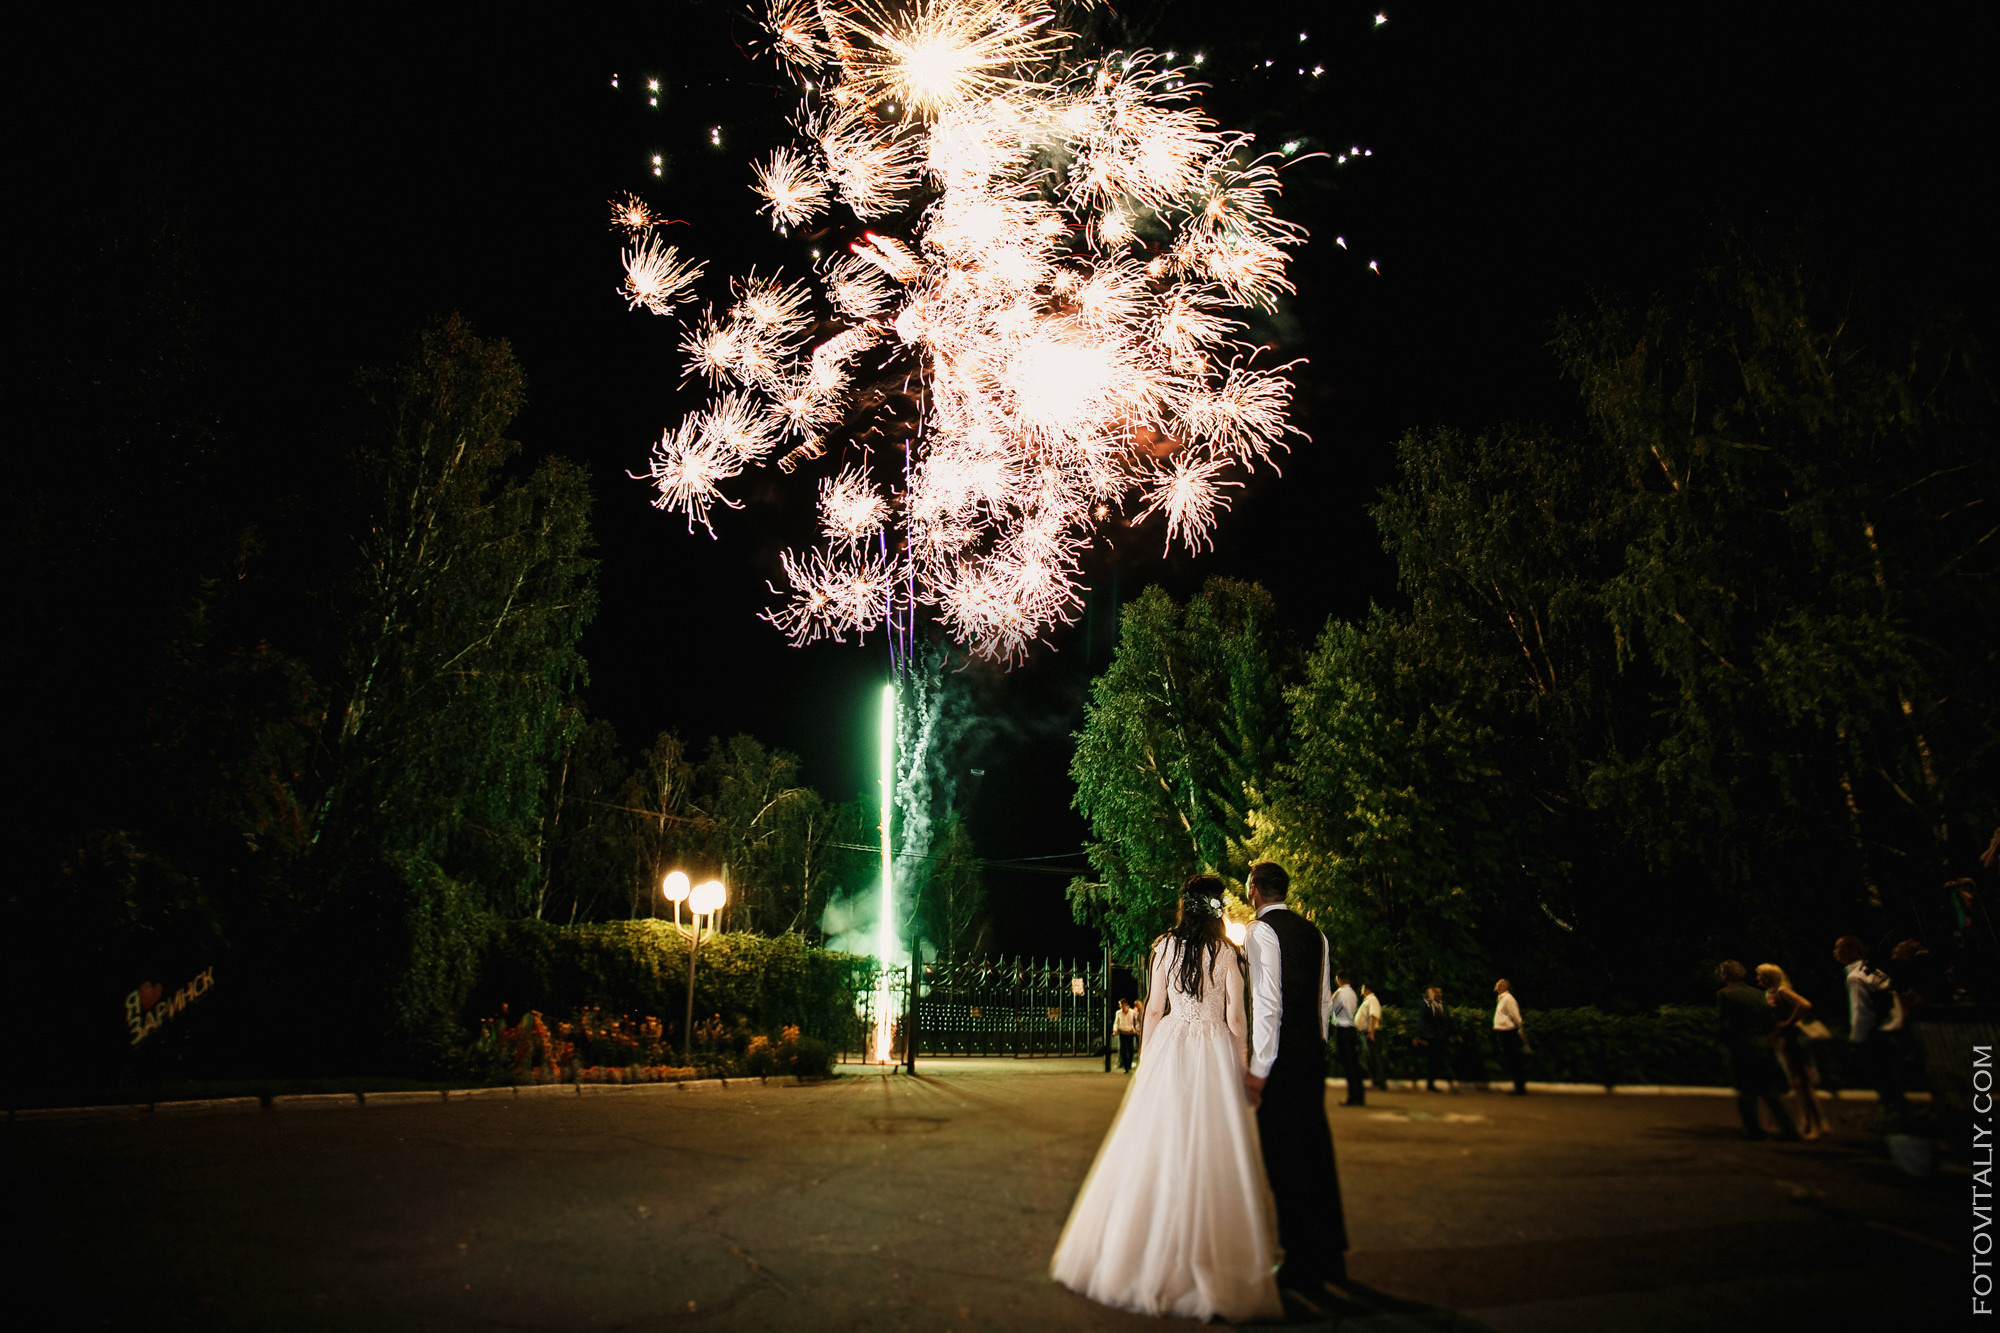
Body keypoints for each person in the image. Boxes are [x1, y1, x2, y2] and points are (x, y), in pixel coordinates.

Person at [1050, 877, 1281, 1322]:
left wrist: (1145, 1062)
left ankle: (1144, 1254)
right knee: (1210, 1150)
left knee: (1159, 1145)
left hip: (1173, 1046)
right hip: (1213, 1050)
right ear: (1216, 910)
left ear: (1185, 907)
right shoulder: (1227, 953)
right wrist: (1241, 1065)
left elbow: (1154, 1009)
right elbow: (1236, 1016)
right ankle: (1206, 1259)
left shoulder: (1165, 948)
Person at [1242, 860, 1350, 1296]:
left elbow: (1267, 1004)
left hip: (1281, 1062)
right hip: (1310, 1057)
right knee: (1316, 1153)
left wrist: (1258, 1070)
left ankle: (1301, 1262)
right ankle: (1330, 1256)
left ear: (1254, 891)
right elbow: (1323, 1003)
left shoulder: (1259, 932)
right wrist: (1316, 1049)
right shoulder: (1316, 934)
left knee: (1285, 1160)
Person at [1717, 960, 1797, 1140]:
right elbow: (1771, 1022)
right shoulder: (1757, 994)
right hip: (1762, 1045)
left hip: (1742, 1047)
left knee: (1746, 1091)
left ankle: (1753, 1130)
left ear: (1726, 975)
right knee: (1770, 1091)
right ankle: (1790, 1130)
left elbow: (1724, 1024)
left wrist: (1725, 1042)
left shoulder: (1725, 994)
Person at [1835, 935, 1907, 1111]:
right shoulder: (1874, 971)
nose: (1835, 952)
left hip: (1876, 1034)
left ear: (1852, 952)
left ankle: (1896, 1115)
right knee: (1893, 1076)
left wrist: (1857, 1038)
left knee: (1883, 1077)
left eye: (1839, 948)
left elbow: (1860, 1010)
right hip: (1891, 1028)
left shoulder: (1855, 977)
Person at [1756, 964, 1825, 1140]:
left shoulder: (1782, 991)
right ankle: (1809, 1122)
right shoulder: (1770, 993)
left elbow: (1805, 1004)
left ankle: (1815, 1124)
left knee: (1802, 1083)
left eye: (1761, 975)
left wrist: (1788, 1022)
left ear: (1768, 977)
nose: (1758, 979)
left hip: (1791, 1041)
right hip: (1782, 1041)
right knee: (1798, 1083)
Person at [1331, 970, 1364, 1106]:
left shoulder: (1340, 993)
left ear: (1339, 979)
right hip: (1351, 1029)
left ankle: (1353, 1097)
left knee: (1348, 1065)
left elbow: (1332, 1010)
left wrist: (1330, 1001)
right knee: (1354, 1064)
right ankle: (1359, 1096)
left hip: (1343, 1030)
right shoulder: (1353, 993)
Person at [1414, 986, 1455, 1092]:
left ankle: (1435, 1082)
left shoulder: (1443, 1004)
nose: (1438, 994)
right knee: (1433, 1061)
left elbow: (1447, 1020)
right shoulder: (1426, 1005)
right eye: (1436, 992)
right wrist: (1419, 1037)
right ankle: (1430, 1083)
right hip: (1430, 1038)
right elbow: (1421, 1021)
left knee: (1439, 1060)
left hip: (1441, 1038)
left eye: (1440, 992)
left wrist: (1451, 1034)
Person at [1492, 978, 1527, 1095]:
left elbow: (1516, 1017)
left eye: (1500, 984)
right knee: (1511, 1059)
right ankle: (1518, 1085)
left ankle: (1519, 1087)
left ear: (1504, 987)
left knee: (1514, 1059)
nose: (1497, 985)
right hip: (1505, 1033)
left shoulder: (1508, 999)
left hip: (1509, 1033)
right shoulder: (1502, 999)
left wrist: (1520, 1030)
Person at [1357, 983, 1387, 1091]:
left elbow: (1373, 1015)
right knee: (1370, 1058)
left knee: (1375, 1058)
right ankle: (1376, 1081)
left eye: (1362, 988)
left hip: (1370, 1033)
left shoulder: (1372, 999)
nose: (1361, 991)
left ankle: (1380, 1082)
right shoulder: (1368, 1000)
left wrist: (1371, 1032)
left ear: (1367, 989)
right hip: (1367, 1032)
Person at [1112, 998, 1138, 1073]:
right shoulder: (1118, 1013)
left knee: (1130, 1050)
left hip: (1130, 1032)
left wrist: (1135, 1029)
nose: (1120, 1006)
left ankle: (1129, 1065)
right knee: (1123, 1050)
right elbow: (1116, 1022)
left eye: (1121, 1004)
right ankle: (1126, 1066)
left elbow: (1135, 1022)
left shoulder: (1132, 1012)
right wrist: (1115, 1030)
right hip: (1122, 1032)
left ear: (1125, 1005)